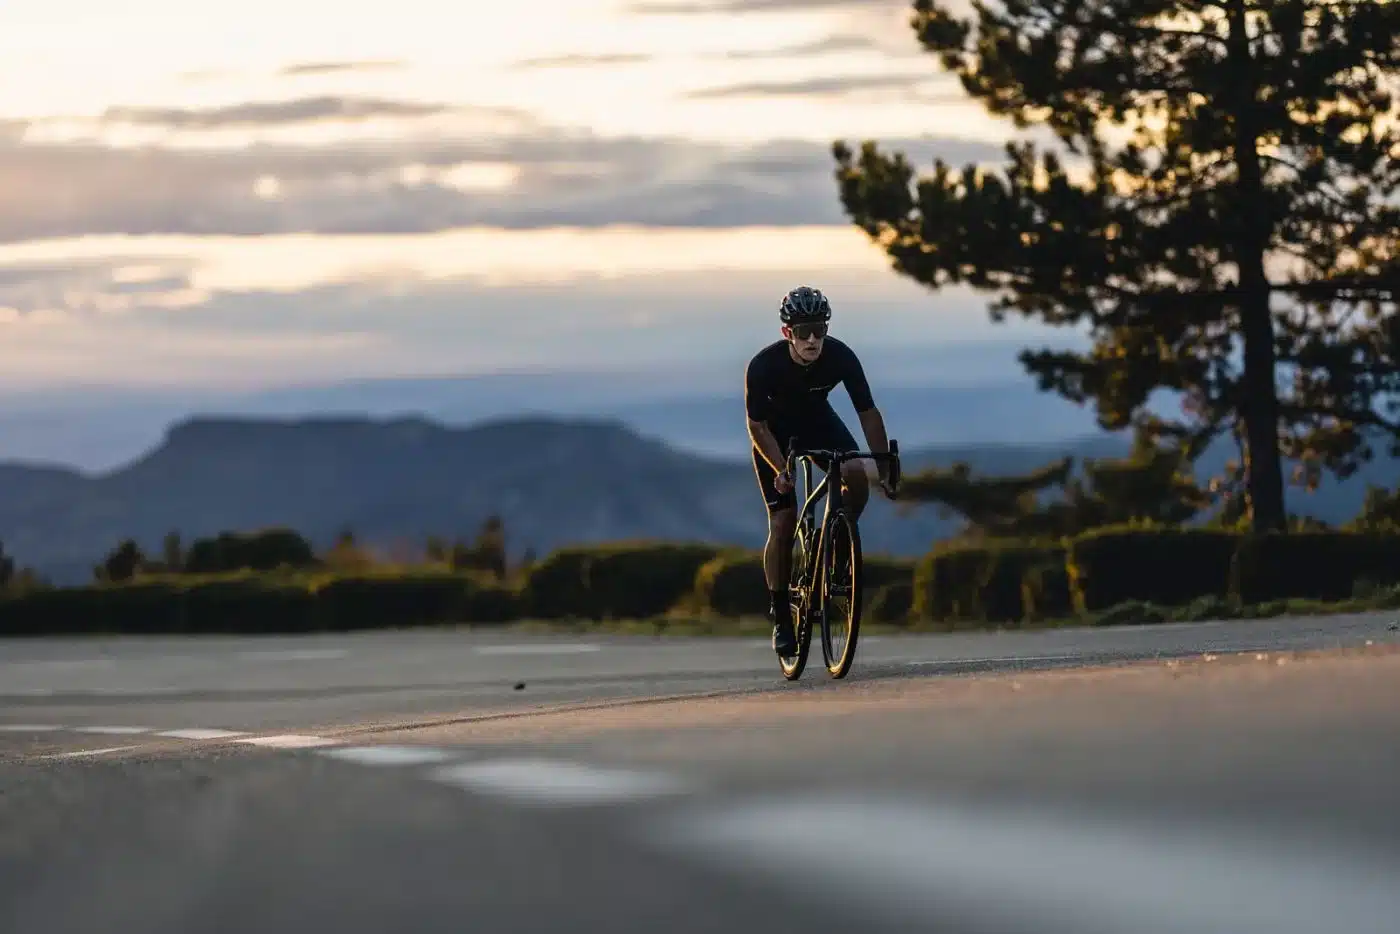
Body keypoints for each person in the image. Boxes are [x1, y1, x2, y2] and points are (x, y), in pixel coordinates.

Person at [744, 285, 893, 657]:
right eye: (802, 331)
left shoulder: (841, 357)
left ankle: (838, 544)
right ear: (786, 333)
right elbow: (757, 427)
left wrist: (883, 463)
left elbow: (868, 413)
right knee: (782, 522)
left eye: (819, 330)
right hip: (775, 437)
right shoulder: (764, 366)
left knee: (856, 475)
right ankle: (781, 615)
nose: (812, 339)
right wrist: (780, 468)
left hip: (817, 422)